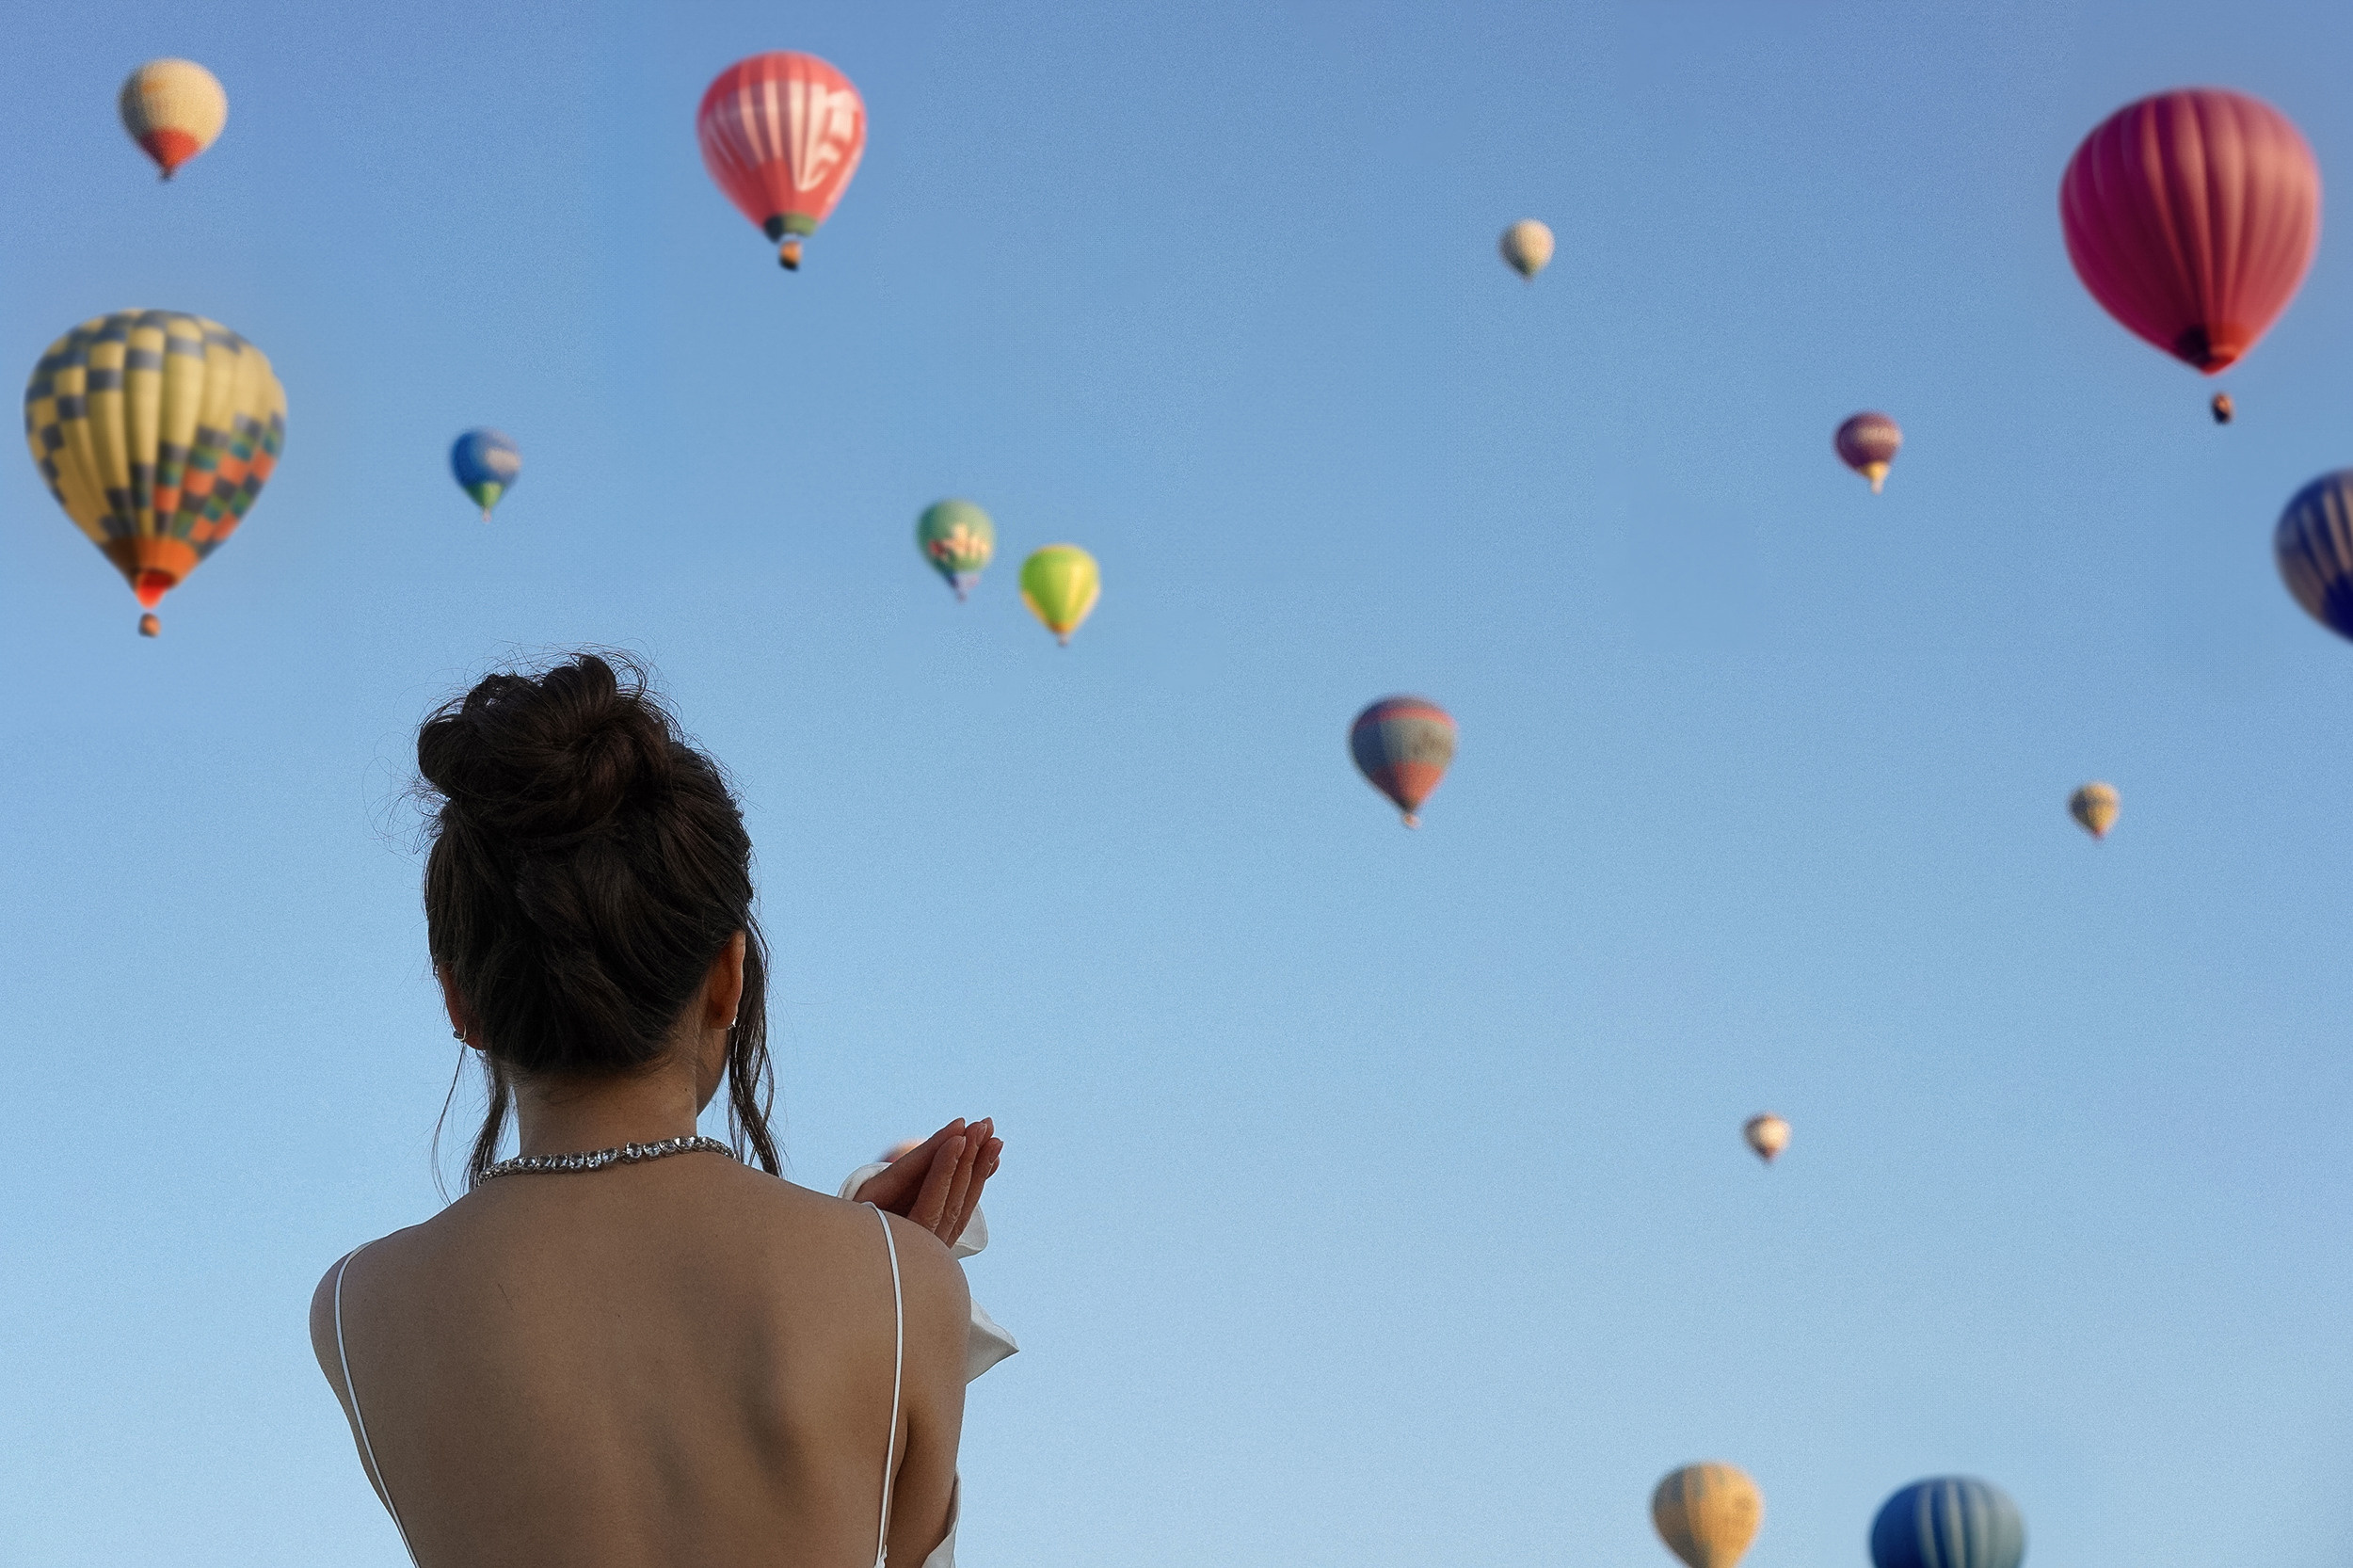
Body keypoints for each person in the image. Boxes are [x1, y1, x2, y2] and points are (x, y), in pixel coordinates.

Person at [310, 654, 1010, 1567]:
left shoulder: (357, 1307)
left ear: (460, 1002)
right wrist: (874, 1279)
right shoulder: (904, 1282)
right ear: (727, 974)